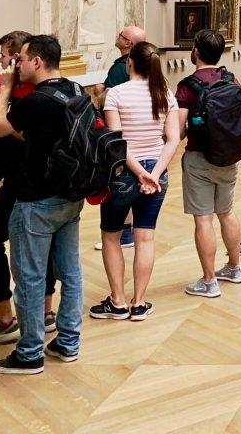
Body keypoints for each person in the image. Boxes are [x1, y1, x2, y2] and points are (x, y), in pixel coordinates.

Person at [0, 35, 84, 374]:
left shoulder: (35, 101)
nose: (18, 64)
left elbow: (0, 127)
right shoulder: (75, 91)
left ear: (36, 61)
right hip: (70, 197)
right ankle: (67, 342)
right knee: (70, 271)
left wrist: (5, 88)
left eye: (22, 59)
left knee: (30, 277)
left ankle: (30, 352)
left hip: (35, 200)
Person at [93, 42, 179, 321]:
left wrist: (138, 171)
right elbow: (174, 138)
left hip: (123, 174)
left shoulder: (115, 94)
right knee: (145, 236)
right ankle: (139, 303)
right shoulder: (165, 94)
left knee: (111, 236)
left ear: (130, 62)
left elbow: (116, 141)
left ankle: (117, 302)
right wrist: (153, 174)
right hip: (157, 170)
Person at [175, 29, 241, 298]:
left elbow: (179, 131)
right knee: (226, 212)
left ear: (195, 51)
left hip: (199, 159)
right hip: (229, 157)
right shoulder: (231, 79)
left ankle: (208, 281)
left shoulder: (187, 86)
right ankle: (234, 267)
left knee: (203, 219)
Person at [0, 30, 35, 346]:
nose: (1, 63)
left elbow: (2, 130)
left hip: (24, 185)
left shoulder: (22, 96)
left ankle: (7, 318)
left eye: (4, 57)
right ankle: (43, 317)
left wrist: (5, 90)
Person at [96, 24, 146, 251]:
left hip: (124, 139)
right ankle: (130, 231)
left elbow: (109, 103)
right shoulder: (152, 75)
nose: (117, 36)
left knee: (121, 188)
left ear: (128, 45)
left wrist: (99, 93)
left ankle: (124, 233)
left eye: (121, 35)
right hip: (146, 143)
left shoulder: (119, 69)